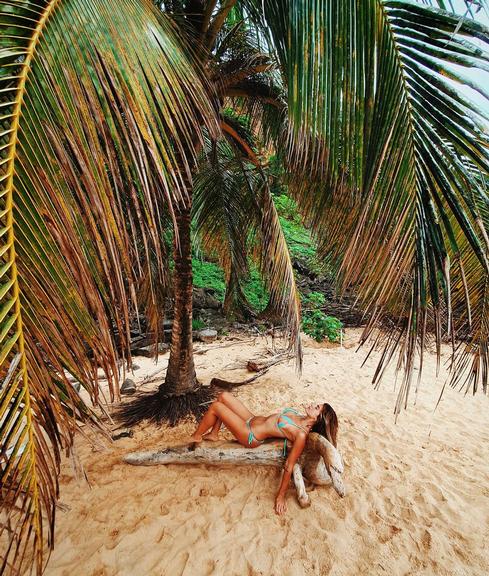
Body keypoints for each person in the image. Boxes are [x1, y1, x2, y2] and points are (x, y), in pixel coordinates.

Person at [190, 391, 338, 515]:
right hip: (251, 419)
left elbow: (288, 466)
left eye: (317, 407)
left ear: (318, 419)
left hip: (249, 434)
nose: (313, 404)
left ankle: (196, 435)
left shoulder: (301, 435)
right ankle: (214, 433)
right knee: (223, 396)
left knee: (216, 407)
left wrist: (281, 496)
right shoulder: (300, 416)